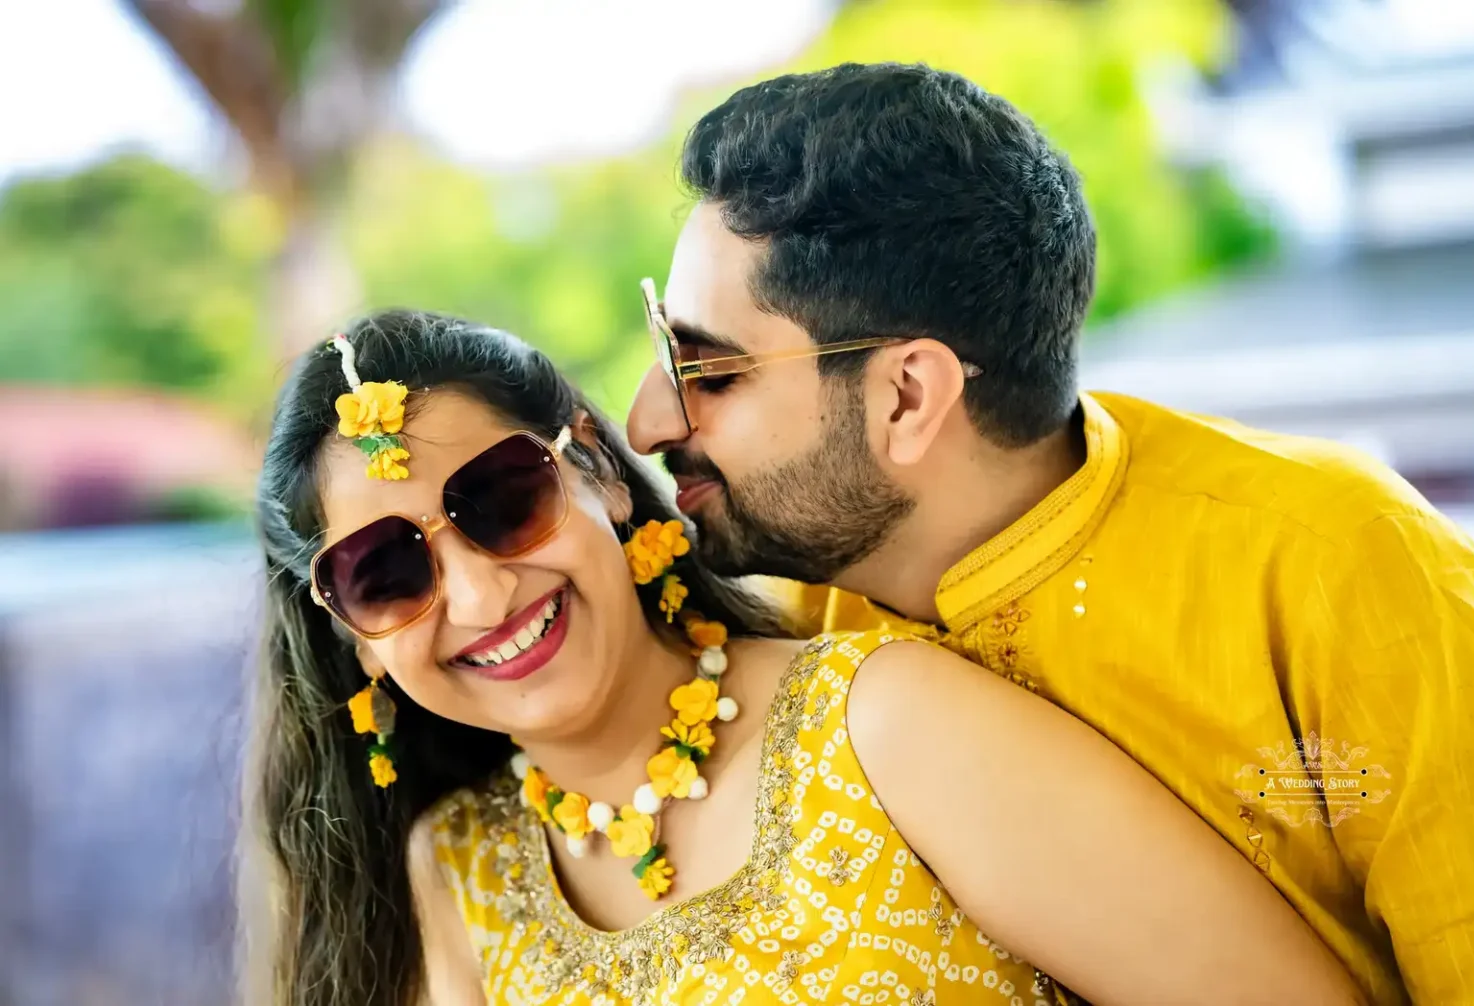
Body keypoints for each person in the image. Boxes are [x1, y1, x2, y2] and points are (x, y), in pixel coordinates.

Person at [624, 62, 1474, 1005]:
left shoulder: (1339, 569)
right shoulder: (766, 640)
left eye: (708, 373)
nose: (646, 421)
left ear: (907, 395)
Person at [245, 310, 1363, 1006]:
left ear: (590, 466)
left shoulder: (885, 728)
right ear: (348, 636)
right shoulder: (458, 872)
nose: (481, 592)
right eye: (386, 572)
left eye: (501, 500)